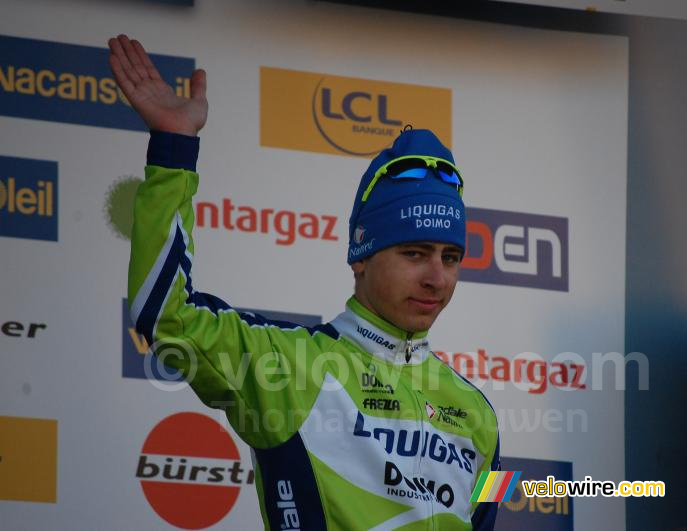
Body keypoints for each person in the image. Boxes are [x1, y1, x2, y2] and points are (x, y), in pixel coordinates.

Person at [109, 34, 500, 530]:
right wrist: (173, 149)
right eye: (413, 253)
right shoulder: (286, 366)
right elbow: (167, 316)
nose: (436, 277)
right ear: (361, 255)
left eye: (451, 257)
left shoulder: (475, 413)